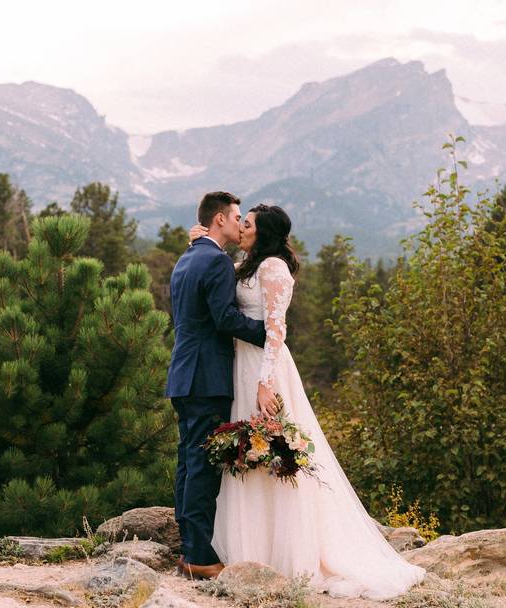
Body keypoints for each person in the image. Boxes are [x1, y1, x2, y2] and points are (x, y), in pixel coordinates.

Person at [189, 205, 426, 599]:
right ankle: (251, 549)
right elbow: (217, 276)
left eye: (247, 224)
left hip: (265, 368)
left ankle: (289, 553)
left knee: (274, 454)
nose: (242, 228)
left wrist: (266, 383)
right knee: (246, 455)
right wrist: (199, 242)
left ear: (262, 232)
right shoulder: (246, 265)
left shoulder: (273, 269)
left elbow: (276, 328)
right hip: (239, 366)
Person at [166, 191, 266, 580]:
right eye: (237, 217)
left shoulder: (187, 257)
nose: (241, 224)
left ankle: (189, 546)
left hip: (183, 374)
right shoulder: (218, 262)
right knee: (204, 465)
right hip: (207, 376)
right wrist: (268, 332)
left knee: (188, 462)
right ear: (219, 220)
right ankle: (199, 556)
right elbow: (224, 319)